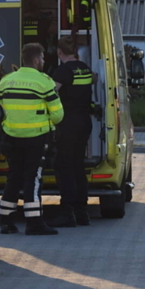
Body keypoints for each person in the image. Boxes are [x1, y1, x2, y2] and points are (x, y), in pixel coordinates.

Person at [0, 43, 63, 235]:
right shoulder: (44, 82)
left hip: (11, 137)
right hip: (36, 137)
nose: (43, 61)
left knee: (13, 177)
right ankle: (34, 223)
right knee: (33, 178)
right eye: (42, 58)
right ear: (35, 60)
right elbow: (58, 115)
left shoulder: (6, 81)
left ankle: (6, 221)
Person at [48, 36, 94, 227]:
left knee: (63, 166)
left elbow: (51, 93)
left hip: (68, 123)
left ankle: (67, 211)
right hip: (84, 122)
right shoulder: (84, 68)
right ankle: (82, 211)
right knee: (78, 166)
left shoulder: (63, 71)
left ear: (59, 52)